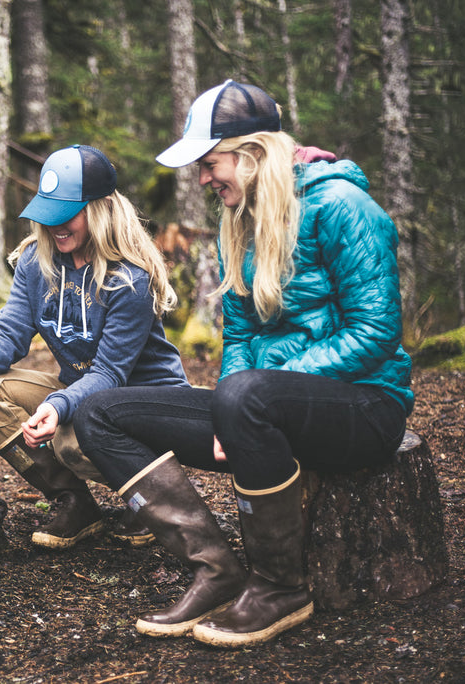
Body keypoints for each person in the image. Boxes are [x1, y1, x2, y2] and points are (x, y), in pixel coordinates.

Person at [74, 80, 414, 647]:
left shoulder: (344, 207)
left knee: (243, 396)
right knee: (100, 412)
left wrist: (251, 397)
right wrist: (237, 403)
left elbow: (376, 331)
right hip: (262, 409)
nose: (204, 180)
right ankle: (216, 566)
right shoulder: (243, 221)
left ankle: (281, 586)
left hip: (365, 406)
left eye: (211, 164)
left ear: (253, 154)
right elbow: (240, 332)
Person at [0, 144, 191, 550]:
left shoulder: (129, 278)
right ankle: (75, 502)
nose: (55, 227)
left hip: (149, 407)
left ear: (99, 210)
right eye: (48, 214)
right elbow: (8, 335)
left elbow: (109, 374)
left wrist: (60, 405)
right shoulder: (36, 261)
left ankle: (148, 493)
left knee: (68, 435)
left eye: (66, 216)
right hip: (88, 396)